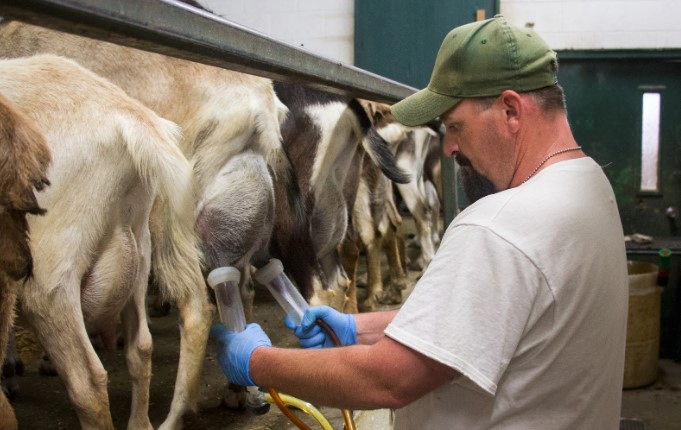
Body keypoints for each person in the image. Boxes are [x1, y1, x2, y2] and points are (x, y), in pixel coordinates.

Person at [211, 14, 629, 429]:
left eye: (454, 126)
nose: (447, 147)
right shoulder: (590, 187)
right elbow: (485, 321)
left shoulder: (498, 226)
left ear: (510, 111)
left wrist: (256, 362)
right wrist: (359, 328)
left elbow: (386, 379)